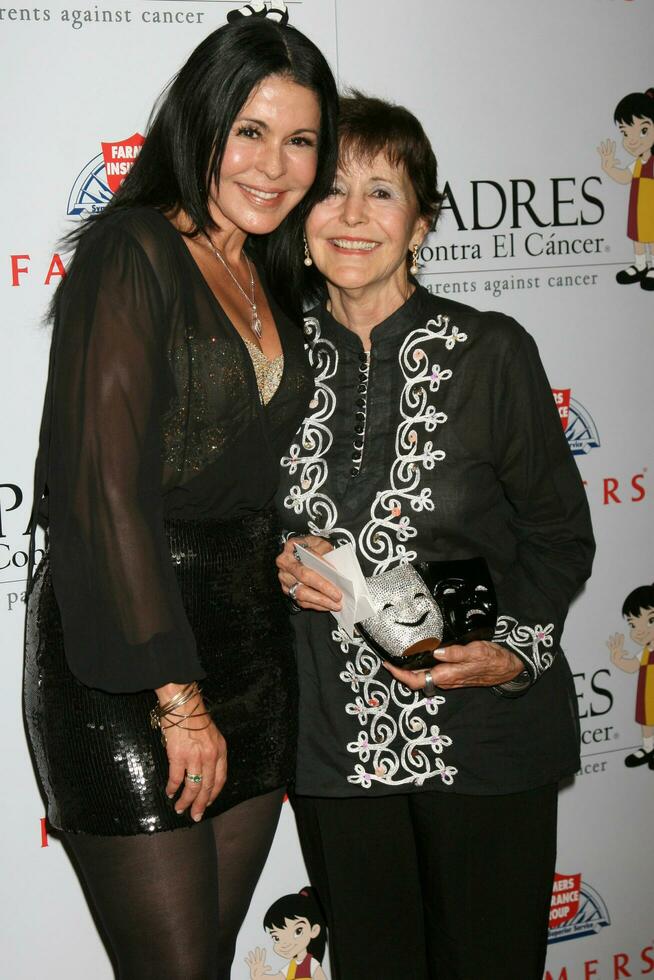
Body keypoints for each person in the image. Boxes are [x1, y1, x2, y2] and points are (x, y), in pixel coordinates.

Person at [23, 5, 337, 978]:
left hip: (252, 651)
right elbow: (101, 492)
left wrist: (296, 547)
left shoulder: (273, 272)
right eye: (250, 132)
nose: (273, 167)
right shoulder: (129, 256)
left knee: (203, 959)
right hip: (127, 658)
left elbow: (238, 465)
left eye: (299, 142)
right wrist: (175, 695)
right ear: (197, 125)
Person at [276, 93, 595, 980]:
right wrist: (276, 559)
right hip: (335, 747)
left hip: (488, 736)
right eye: (329, 190)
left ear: (422, 222)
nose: (350, 216)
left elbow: (561, 536)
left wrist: (516, 649)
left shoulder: (493, 351)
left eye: (381, 193)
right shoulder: (271, 358)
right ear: (298, 215)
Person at [598, 87, 654, 290]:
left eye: (643, 130)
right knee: (638, 237)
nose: (632, 140)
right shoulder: (638, 162)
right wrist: (608, 167)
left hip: (652, 208)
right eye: (625, 132)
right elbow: (624, 177)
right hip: (638, 209)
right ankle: (640, 265)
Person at [607, 582, 654, 769]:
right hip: (647, 695)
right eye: (633, 625)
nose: (640, 631)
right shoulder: (645, 652)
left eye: (650, 621)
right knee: (646, 721)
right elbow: (632, 665)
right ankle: (649, 748)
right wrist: (617, 659)